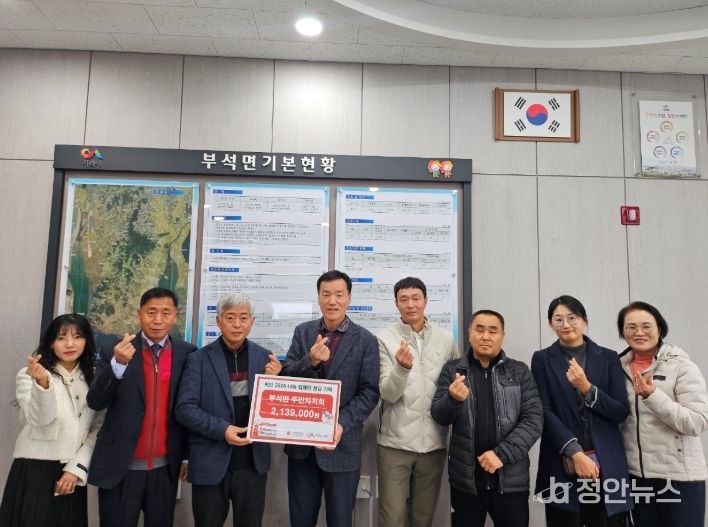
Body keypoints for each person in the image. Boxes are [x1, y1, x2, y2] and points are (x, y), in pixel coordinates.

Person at [86, 287, 197, 527]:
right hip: (119, 467)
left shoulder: (187, 354)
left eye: (165, 313)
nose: (158, 320)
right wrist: (118, 365)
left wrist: (187, 456)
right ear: (139, 314)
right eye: (151, 312)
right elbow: (95, 401)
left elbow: (189, 408)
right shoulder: (115, 349)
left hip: (165, 469)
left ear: (175, 316)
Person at [281, 270, 380, 527]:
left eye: (339, 295)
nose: (332, 301)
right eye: (326, 294)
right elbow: (287, 375)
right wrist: (311, 360)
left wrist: (340, 424)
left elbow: (369, 391)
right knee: (301, 520)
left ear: (349, 298)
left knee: (341, 520)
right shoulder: (303, 332)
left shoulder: (366, 340)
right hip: (302, 448)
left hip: (342, 445)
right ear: (319, 298)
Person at [175, 292, 282, 527]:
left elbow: (276, 409)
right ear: (218, 321)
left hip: (252, 464)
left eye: (243, 318)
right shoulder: (198, 359)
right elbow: (185, 409)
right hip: (210, 462)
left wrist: (274, 382)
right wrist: (222, 430)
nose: (237, 324)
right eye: (230, 317)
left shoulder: (265, 359)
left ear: (252, 321)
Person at [431, 309, 543, 527]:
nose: (485, 336)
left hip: (511, 481)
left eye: (493, 331)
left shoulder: (519, 371)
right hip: (466, 483)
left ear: (502, 335)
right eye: (479, 330)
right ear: (469, 332)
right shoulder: (453, 370)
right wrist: (452, 399)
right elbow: (439, 416)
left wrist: (501, 454)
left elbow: (534, 419)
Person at [531, 295, 631, 526]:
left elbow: (620, 411)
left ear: (584, 320)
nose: (566, 324)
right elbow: (544, 411)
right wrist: (574, 453)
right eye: (558, 319)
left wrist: (587, 389)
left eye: (572, 318)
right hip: (562, 461)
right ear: (550, 324)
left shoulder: (608, 357)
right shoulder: (542, 359)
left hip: (606, 463)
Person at [0, 313, 103, 527]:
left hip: (72, 471)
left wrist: (76, 469)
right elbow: (40, 419)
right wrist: (43, 384)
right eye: (61, 337)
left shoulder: (94, 378)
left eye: (77, 336)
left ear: (87, 341)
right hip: (35, 470)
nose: (70, 344)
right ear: (50, 343)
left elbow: (98, 428)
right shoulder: (29, 374)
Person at [616, 301, 708, 527]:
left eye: (646, 326)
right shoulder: (617, 368)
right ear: (623, 332)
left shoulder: (681, 366)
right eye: (631, 327)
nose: (639, 332)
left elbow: (697, 422)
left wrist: (653, 396)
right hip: (638, 477)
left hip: (678, 477)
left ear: (659, 328)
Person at [377, 276, 458, 527]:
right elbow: (388, 394)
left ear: (426, 301)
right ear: (396, 304)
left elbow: (454, 388)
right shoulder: (384, 338)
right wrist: (401, 369)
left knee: (423, 519)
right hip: (394, 443)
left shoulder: (446, 340)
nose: (410, 304)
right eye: (404, 299)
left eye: (416, 298)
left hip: (434, 444)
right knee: (391, 519)